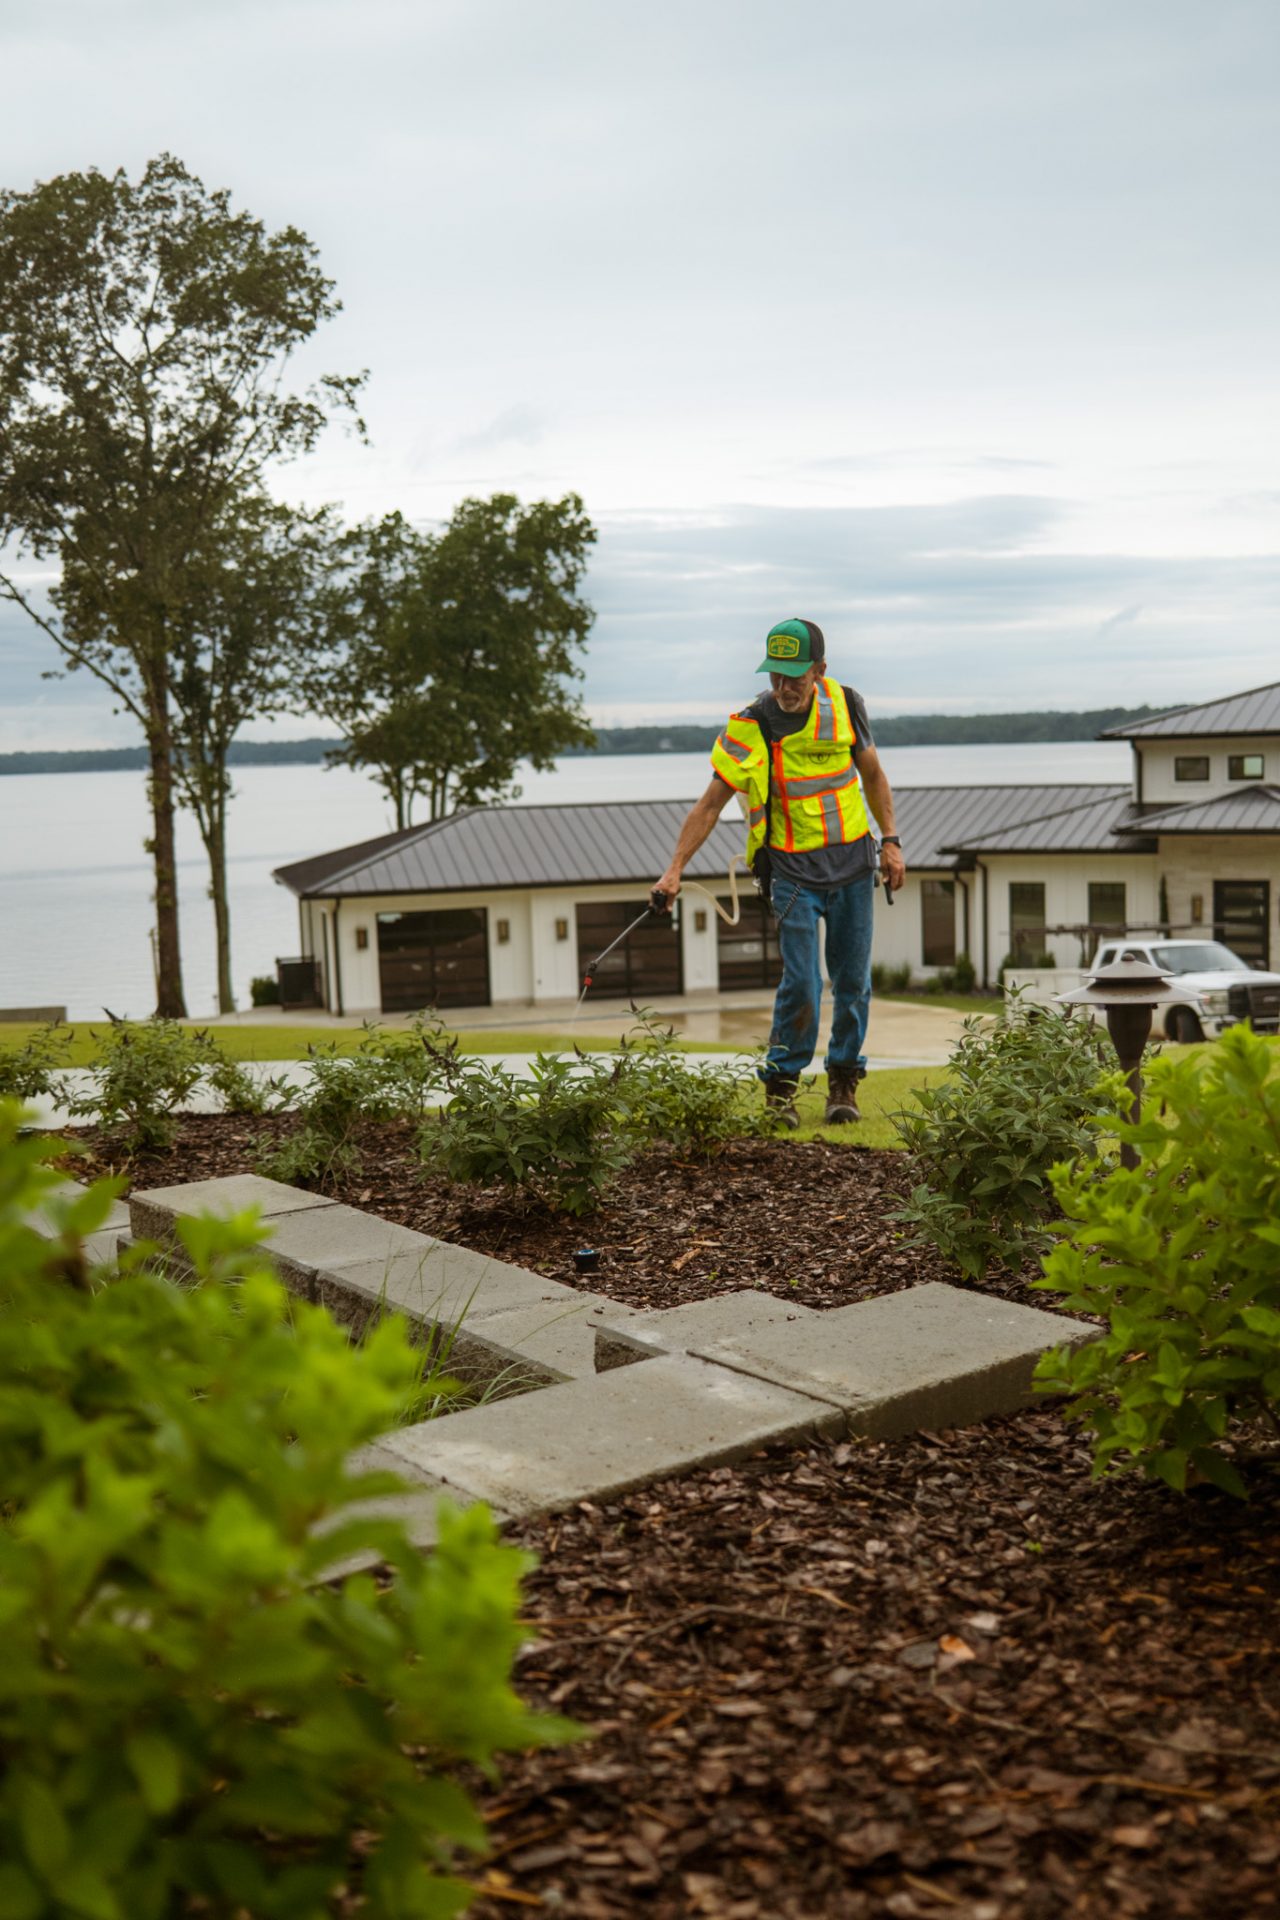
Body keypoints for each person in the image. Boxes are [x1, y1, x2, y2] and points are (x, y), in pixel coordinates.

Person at [653, 617, 905, 1127]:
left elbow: (874, 776)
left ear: (820, 669)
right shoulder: (752, 724)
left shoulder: (846, 705)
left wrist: (893, 843)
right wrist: (673, 870)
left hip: (854, 863)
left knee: (853, 981)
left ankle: (843, 1085)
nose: (784, 688)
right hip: (791, 870)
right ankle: (782, 1089)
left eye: (796, 676)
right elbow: (708, 806)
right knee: (803, 982)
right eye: (776, 676)